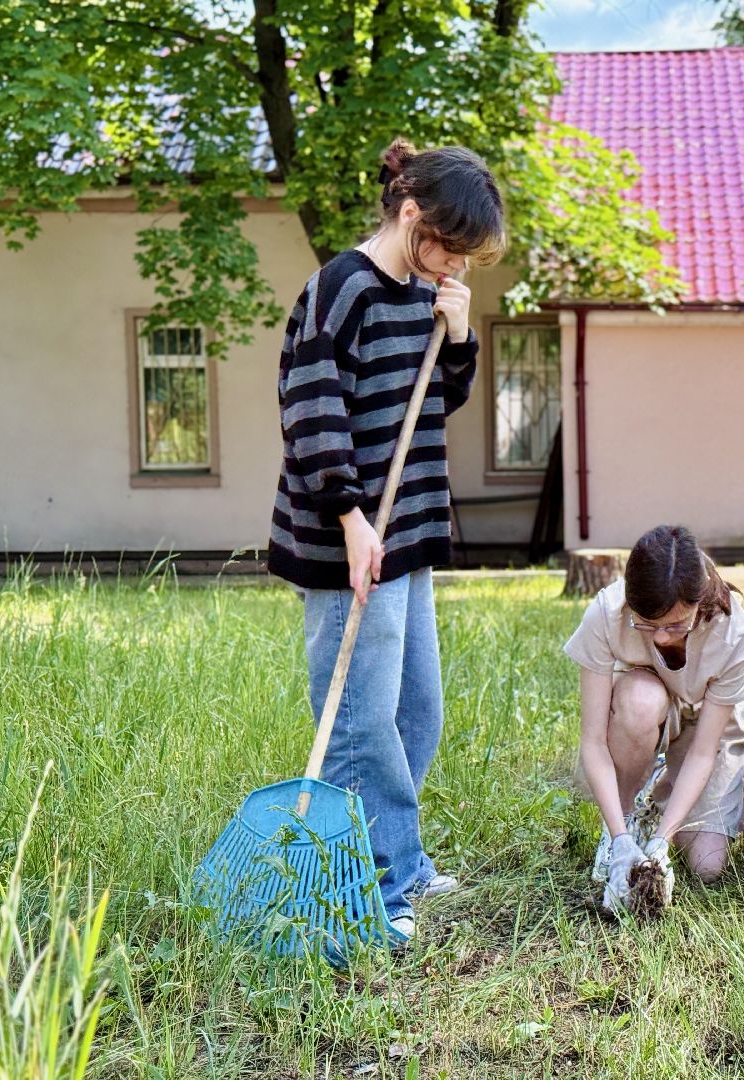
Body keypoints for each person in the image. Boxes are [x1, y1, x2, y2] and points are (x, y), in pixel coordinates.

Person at [267, 137, 505, 945]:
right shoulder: (341, 289)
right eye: (455, 248)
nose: (460, 266)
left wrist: (462, 335)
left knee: (416, 713)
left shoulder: (428, 294)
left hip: (404, 533)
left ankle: (397, 857)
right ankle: (362, 886)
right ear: (413, 217)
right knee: (358, 724)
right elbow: (309, 406)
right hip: (346, 544)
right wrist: (349, 515)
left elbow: (440, 400)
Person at [565, 525, 744, 912]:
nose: (659, 638)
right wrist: (622, 838)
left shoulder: (733, 633)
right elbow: (592, 742)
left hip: (707, 725)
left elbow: (705, 752)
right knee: (640, 700)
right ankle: (625, 819)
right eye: (647, 624)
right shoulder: (607, 612)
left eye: (675, 625)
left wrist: (662, 842)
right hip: (649, 704)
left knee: (707, 865)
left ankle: (661, 794)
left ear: (699, 603)